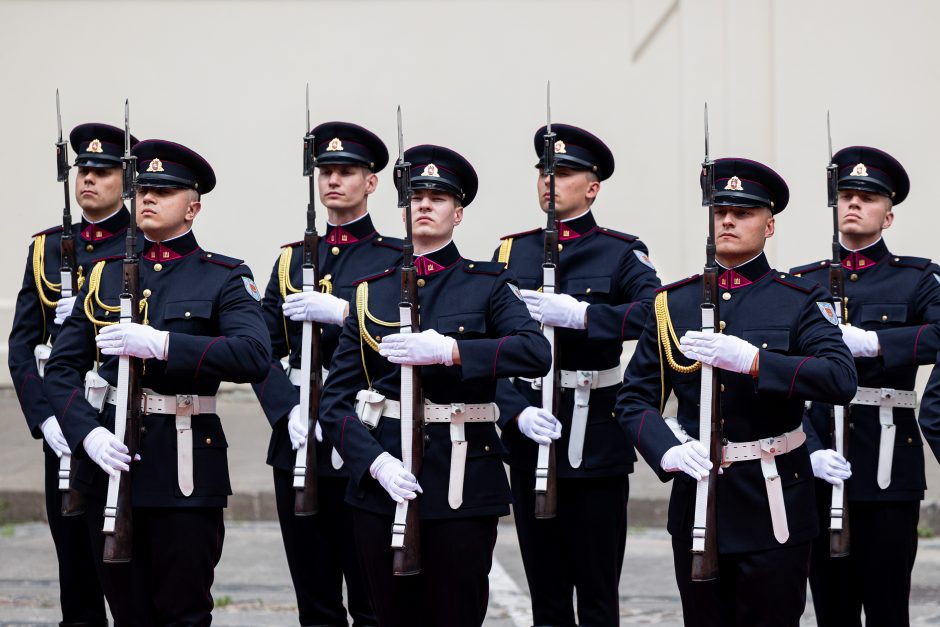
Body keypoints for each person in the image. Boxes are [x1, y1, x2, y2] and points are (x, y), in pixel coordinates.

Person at [616, 157, 857, 626]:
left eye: (743, 212)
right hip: (700, 498)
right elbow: (634, 398)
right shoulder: (673, 302)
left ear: (769, 225)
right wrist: (666, 450)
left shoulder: (800, 299)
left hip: (774, 501)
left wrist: (755, 361)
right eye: (720, 209)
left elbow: (839, 377)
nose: (727, 220)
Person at [318, 144, 551, 627]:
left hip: (462, 481)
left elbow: (535, 352)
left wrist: (453, 351)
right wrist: (373, 462)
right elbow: (336, 403)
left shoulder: (487, 285)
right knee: (388, 615)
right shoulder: (370, 290)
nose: (424, 205)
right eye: (415, 197)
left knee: (456, 613)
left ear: (458, 213)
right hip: (383, 482)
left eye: (438, 198)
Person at [43, 138, 271, 625]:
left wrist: (164, 345)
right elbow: (60, 370)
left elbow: (254, 354)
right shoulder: (103, 275)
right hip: (106, 465)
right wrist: (88, 432)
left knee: (182, 612)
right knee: (127, 612)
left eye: (163, 191)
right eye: (142, 187)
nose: (147, 197)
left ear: (192, 207)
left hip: (183, 469)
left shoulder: (223, 277)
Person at [492, 123, 660, 626]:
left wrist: (586, 317)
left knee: (596, 593)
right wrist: (514, 411)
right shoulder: (509, 253)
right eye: (544, 170)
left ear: (592, 187)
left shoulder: (619, 251)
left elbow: (658, 315)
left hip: (596, 436)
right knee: (545, 594)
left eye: (563, 172)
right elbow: (489, 343)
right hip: (530, 432)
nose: (550, 180)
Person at [251, 121, 401, 626]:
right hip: (298, 440)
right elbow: (262, 349)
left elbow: (393, 348)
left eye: (346, 171)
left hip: (364, 430)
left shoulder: (394, 260)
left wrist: (342, 312)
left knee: (370, 597)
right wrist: (284, 410)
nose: (333, 180)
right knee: (314, 598)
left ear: (371, 182)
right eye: (326, 171)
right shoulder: (293, 258)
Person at [790, 146, 940, 626]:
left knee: (887, 603)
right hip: (820, 455)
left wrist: (877, 343)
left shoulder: (916, 279)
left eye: (867, 198)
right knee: (831, 606)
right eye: (845, 196)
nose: (853, 204)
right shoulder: (802, 283)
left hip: (888, 461)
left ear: (888, 216)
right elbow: (785, 377)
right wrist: (809, 448)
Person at [8, 122, 139, 627]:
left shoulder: (142, 242)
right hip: (63, 426)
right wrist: (46, 421)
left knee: (127, 565)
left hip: (118, 420)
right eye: (83, 169)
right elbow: (22, 345)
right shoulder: (47, 247)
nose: (89, 179)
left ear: (124, 181)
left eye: (102, 172)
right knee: (75, 569)